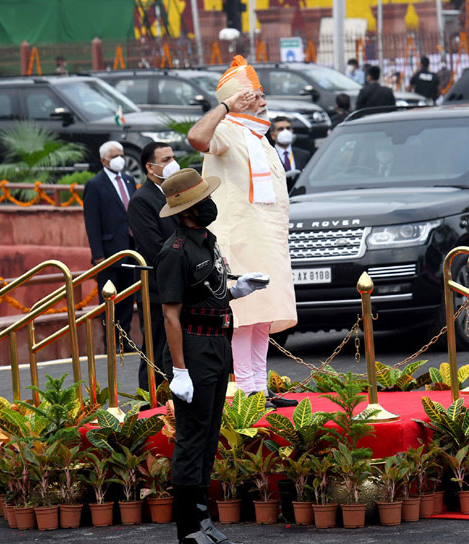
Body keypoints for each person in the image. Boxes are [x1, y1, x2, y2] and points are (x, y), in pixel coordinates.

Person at [156, 168, 267, 544]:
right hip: (194, 348)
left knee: (208, 435)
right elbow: (171, 316)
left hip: (218, 342)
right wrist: (180, 370)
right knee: (191, 437)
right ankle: (188, 528)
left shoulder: (207, 240)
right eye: (202, 201)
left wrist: (237, 291)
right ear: (187, 209)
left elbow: (208, 292)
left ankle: (203, 521)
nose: (209, 205)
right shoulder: (174, 252)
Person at [187, 55, 298, 409]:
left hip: (268, 242)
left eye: (261, 95)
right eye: (255, 95)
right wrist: (226, 106)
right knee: (243, 318)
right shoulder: (227, 130)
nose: (263, 101)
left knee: (262, 317)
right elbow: (196, 137)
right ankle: (247, 390)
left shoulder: (259, 136)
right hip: (239, 242)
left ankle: (260, 389)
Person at [126, 142, 179, 391]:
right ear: (150, 167)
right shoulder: (142, 200)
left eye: (173, 157)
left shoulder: (176, 192)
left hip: (182, 284)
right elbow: (153, 247)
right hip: (158, 287)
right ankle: (149, 401)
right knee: (156, 350)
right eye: (166, 160)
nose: (173, 163)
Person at [82, 141, 137, 339]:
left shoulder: (129, 180)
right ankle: (111, 341)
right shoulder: (95, 185)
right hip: (109, 254)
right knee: (109, 301)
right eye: (115, 156)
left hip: (130, 250)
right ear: (104, 160)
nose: (119, 159)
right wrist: (98, 256)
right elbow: (92, 223)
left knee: (127, 297)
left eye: (121, 155)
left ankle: (125, 339)